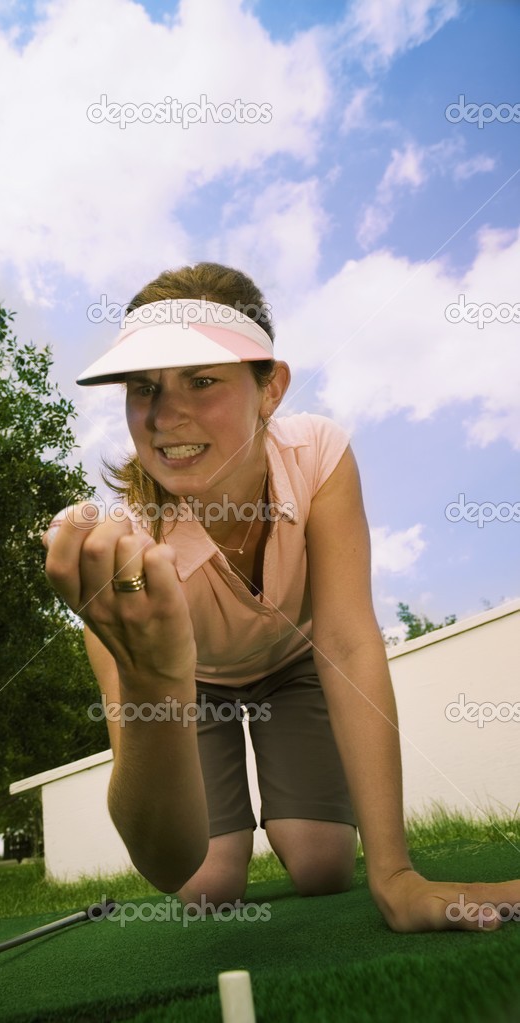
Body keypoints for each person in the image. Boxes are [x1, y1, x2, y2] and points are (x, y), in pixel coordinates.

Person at [43, 262, 519, 933]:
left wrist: (395, 876)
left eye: (202, 380)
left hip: (292, 666)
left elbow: (348, 641)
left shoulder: (319, 455)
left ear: (271, 389)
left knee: (325, 866)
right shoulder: (124, 553)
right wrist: (153, 670)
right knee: (202, 881)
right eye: (144, 387)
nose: (165, 414)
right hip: (192, 684)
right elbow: (161, 856)